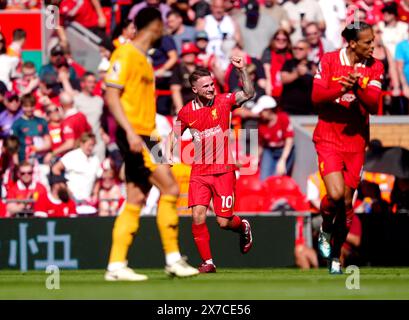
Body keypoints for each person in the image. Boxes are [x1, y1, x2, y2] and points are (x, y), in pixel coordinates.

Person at [104, 7, 198, 281]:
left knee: (135, 198)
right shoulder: (125, 54)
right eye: (162, 25)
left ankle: (116, 265)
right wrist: (131, 134)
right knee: (169, 186)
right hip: (136, 134)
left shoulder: (145, 61)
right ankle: (172, 259)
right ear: (154, 26)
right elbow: (111, 96)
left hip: (149, 134)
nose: (165, 31)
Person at [167, 61, 255, 273]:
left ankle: (243, 226)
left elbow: (249, 93)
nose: (210, 88)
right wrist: (167, 154)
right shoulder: (186, 112)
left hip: (224, 170)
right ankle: (208, 262)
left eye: (211, 84)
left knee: (223, 222)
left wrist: (241, 70)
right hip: (199, 172)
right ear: (194, 89)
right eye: (205, 86)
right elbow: (174, 135)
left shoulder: (224, 101)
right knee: (197, 215)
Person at [312, 22, 384, 274]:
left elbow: (374, 105)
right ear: (353, 43)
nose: (372, 45)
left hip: (356, 144)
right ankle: (325, 226)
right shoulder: (330, 60)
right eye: (367, 42)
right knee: (334, 195)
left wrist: (358, 87)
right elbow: (316, 97)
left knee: (345, 201)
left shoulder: (375, 66)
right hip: (329, 138)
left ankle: (335, 255)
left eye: (373, 40)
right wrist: (342, 87)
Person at [253, 95, 295, 180]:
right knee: (264, 178)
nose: (260, 114)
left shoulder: (283, 118)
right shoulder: (261, 123)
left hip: (284, 150)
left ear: (268, 110)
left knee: (277, 177)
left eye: (262, 111)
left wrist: (283, 160)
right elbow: (261, 143)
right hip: (269, 151)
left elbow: (289, 141)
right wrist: (255, 158)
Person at [11, 93, 51, 162]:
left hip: (41, 159)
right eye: (26, 106)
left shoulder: (42, 121)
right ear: (21, 106)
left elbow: (48, 143)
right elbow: (14, 146)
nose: (29, 109)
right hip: (24, 160)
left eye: (31, 106)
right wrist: (16, 164)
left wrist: (38, 149)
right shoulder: (17, 124)